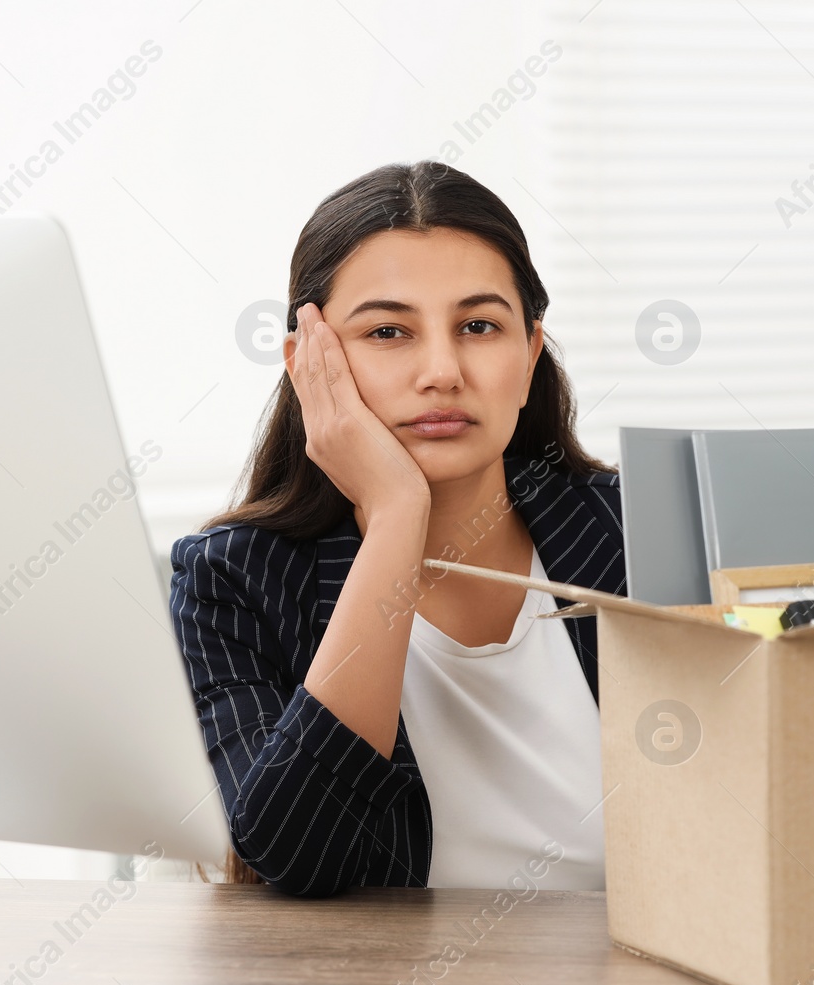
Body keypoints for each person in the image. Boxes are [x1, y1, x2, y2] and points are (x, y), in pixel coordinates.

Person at [168, 161, 625, 896]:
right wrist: (394, 518)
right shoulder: (232, 581)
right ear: (309, 363)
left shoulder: (635, 530)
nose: (442, 371)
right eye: (388, 331)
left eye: (479, 326)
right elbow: (299, 857)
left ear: (532, 352)